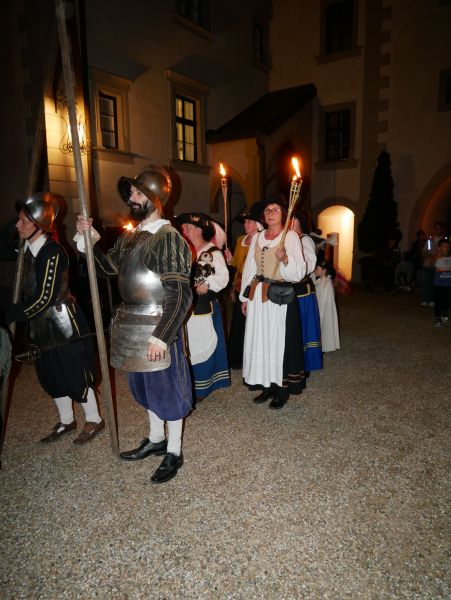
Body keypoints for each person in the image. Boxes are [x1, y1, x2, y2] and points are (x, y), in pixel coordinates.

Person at [75, 165, 193, 483]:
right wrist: (88, 240)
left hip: (158, 325)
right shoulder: (131, 237)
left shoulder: (168, 238)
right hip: (132, 324)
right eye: (131, 194)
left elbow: (179, 294)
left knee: (168, 392)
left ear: (156, 197)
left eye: (139, 193)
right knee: (145, 389)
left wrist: (161, 337)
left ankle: (174, 451)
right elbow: (107, 268)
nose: (133, 199)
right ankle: (156, 439)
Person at [4, 193, 103, 444]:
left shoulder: (52, 252)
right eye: (18, 220)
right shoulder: (25, 248)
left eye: (24, 221)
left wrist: (12, 312)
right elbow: (3, 247)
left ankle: (94, 418)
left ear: (39, 226)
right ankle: (67, 421)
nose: (18, 225)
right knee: (50, 373)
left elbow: (45, 298)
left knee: (74, 371)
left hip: (62, 322)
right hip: (39, 324)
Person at [240, 195, 307, 409]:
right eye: (267, 210)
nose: (270, 213)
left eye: (275, 209)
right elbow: (250, 268)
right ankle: (266, 385)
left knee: (277, 342)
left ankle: (281, 390)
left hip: (279, 297)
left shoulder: (291, 237)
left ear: (284, 213)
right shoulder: (258, 237)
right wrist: (244, 298)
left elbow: (299, 272)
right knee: (260, 340)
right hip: (258, 296)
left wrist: (285, 259)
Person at [175, 213, 231, 400]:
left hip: (203, 307)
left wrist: (207, 284)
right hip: (185, 307)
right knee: (187, 344)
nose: (184, 230)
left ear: (199, 230)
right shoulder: (184, 251)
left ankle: (202, 387)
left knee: (201, 344)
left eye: (188, 227)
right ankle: (188, 386)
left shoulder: (213, 252)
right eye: (183, 228)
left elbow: (223, 278)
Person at [227, 209, 264, 370]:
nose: (246, 224)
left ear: (258, 224)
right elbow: (236, 263)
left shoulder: (262, 240)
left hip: (254, 284)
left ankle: (250, 357)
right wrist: (230, 259)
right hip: (239, 283)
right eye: (245, 222)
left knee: (251, 320)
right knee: (238, 320)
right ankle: (236, 357)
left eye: (250, 221)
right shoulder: (241, 239)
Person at [290, 216, 323, 373]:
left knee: (304, 324)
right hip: (289, 289)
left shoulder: (305, 240)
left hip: (303, 290)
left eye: (293, 221)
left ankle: (306, 363)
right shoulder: (288, 239)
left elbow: (310, 264)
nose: (289, 223)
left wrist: (295, 270)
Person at [314, 259, 340, 352]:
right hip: (319, 309)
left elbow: (325, 302)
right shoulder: (319, 281)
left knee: (325, 324)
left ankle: (325, 344)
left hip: (323, 311)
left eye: (317, 268)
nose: (315, 270)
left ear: (324, 270)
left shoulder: (327, 284)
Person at [432, 238, 451, 327]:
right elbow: (432, 264)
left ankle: (444, 311)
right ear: (439, 248)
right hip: (439, 283)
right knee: (438, 301)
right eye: (444, 246)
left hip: (449, 283)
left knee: (448, 300)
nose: (446, 248)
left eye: (448, 246)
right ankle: (438, 317)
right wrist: (437, 256)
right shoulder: (437, 256)